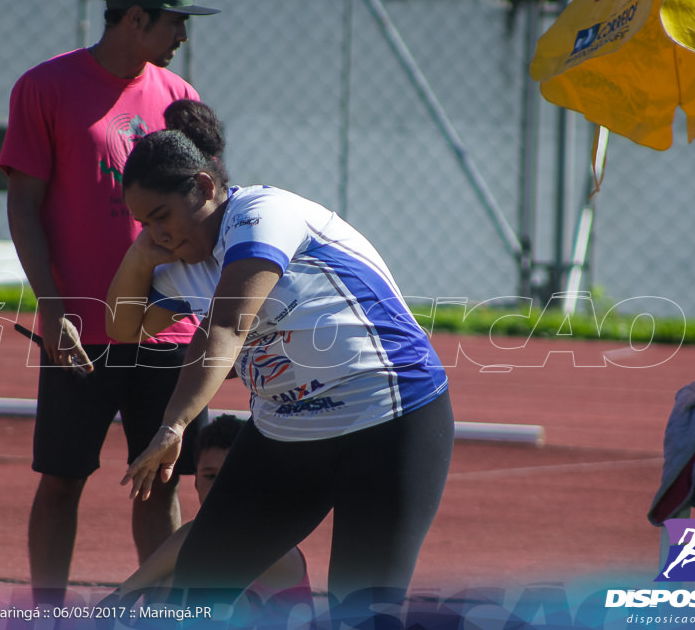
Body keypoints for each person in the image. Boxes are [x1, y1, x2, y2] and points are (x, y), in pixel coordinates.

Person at [105, 100, 454, 620]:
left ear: (203, 188)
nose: (157, 234)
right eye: (142, 224)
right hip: (288, 436)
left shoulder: (261, 215)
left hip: (390, 420)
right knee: (199, 589)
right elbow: (122, 328)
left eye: (161, 218)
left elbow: (227, 326)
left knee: (363, 610)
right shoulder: (182, 264)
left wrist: (174, 425)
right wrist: (138, 255)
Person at [0, 0, 219, 608]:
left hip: (169, 327)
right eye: (174, 22)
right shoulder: (45, 88)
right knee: (63, 478)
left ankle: (164, 612)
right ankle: (46, 613)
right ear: (135, 18)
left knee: (161, 479)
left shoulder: (180, 99)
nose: (182, 35)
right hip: (82, 327)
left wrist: (209, 314)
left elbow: (205, 210)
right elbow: (23, 205)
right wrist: (51, 305)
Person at [104, 414, 315, 624]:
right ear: (195, 482)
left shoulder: (273, 540)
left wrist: (125, 592)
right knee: (168, 587)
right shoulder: (199, 546)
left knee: (205, 593)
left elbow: (211, 532)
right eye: (210, 476)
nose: (220, 488)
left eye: (232, 476)